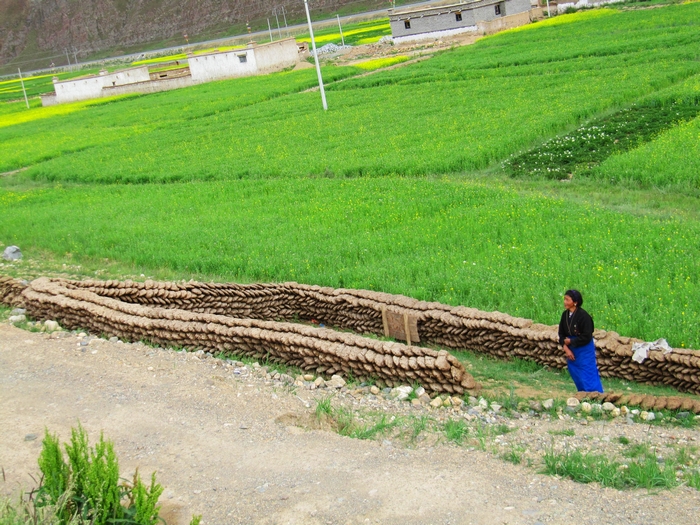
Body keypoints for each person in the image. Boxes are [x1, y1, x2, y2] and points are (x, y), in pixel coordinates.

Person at [558, 289, 603, 393]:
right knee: (575, 372)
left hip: (584, 348)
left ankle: (594, 394)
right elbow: (561, 334)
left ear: (575, 302)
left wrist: (572, 342)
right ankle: (583, 393)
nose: (565, 302)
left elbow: (586, 336)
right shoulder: (565, 315)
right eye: (564, 299)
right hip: (570, 348)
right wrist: (566, 349)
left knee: (587, 371)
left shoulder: (584, 316)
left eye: (567, 300)